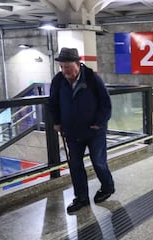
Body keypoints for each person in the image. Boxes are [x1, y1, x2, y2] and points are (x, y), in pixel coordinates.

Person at [48, 47, 115, 213]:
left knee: (98, 162)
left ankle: (107, 187)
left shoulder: (92, 78)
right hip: (71, 131)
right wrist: (56, 122)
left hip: (94, 131)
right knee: (75, 165)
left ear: (78, 64)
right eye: (62, 67)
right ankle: (81, 198)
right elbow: (53, 103)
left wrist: (99, 123)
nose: (64, 71)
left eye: (68, 67)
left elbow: (106, 103)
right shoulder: (58, 80)